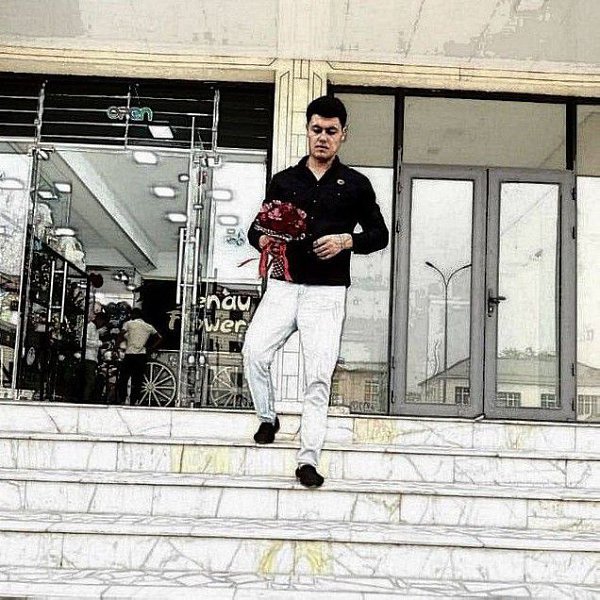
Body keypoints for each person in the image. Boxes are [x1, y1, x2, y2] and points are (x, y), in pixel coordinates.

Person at [242, 95, 389, 488]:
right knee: (254, 352)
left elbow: (380, 235)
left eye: (331, 131)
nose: (323, 137)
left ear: (343, 135)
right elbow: (256, 228)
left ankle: (308, 459)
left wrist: (346, 240)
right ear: (307, 131)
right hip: (282, 285)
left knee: (319, 376)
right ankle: (267, 417)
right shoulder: (284, 180)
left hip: (327, 292)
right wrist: (263, 241)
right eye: (316, 129)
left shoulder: (356, 184)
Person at [117, 307, 162, 404]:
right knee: (137, 379)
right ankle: (134, 400)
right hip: (141, 354)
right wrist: (151, 347)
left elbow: (121, 334)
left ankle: (122, 398)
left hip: (130, 354)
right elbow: (159, 337)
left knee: (123, 377)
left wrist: (116, 345)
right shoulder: (148, 326)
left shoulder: (128, 324)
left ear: (133, 315)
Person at [82, 311, 108, 403]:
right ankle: (85, 399)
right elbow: (85, 341)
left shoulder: (96, 329)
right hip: (88, 356)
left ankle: (87, 397)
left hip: (93, 357)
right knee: (90, 380)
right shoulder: (90, 327)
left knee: (90, 379)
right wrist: (100, 344)